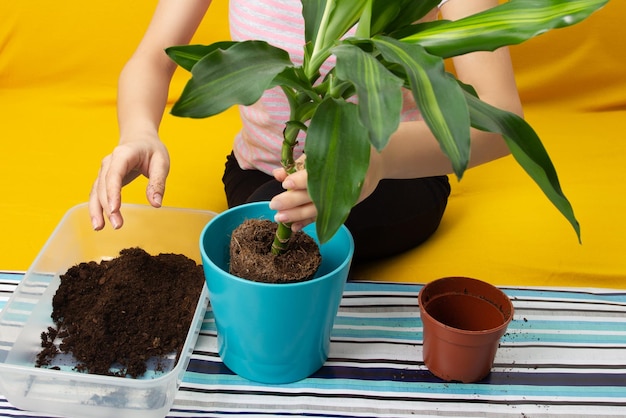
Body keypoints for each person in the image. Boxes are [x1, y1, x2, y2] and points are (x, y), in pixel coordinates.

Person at [89, 0, 523, 262]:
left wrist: (368, 162)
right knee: (249, 239)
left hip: (391, 180)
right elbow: (153, 58)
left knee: (248, 254)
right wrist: (139, 133)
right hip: (258, 172)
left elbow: (502, 122)